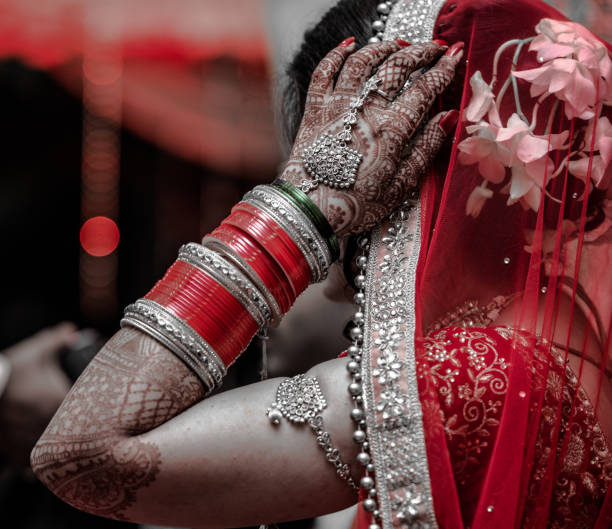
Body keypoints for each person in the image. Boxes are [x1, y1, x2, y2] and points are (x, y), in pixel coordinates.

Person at [31, 1, 612, 529]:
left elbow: (82, 452)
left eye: (309, 153)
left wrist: (306, 202)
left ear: (390, 167)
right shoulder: (565, 344)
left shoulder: (478, 372)